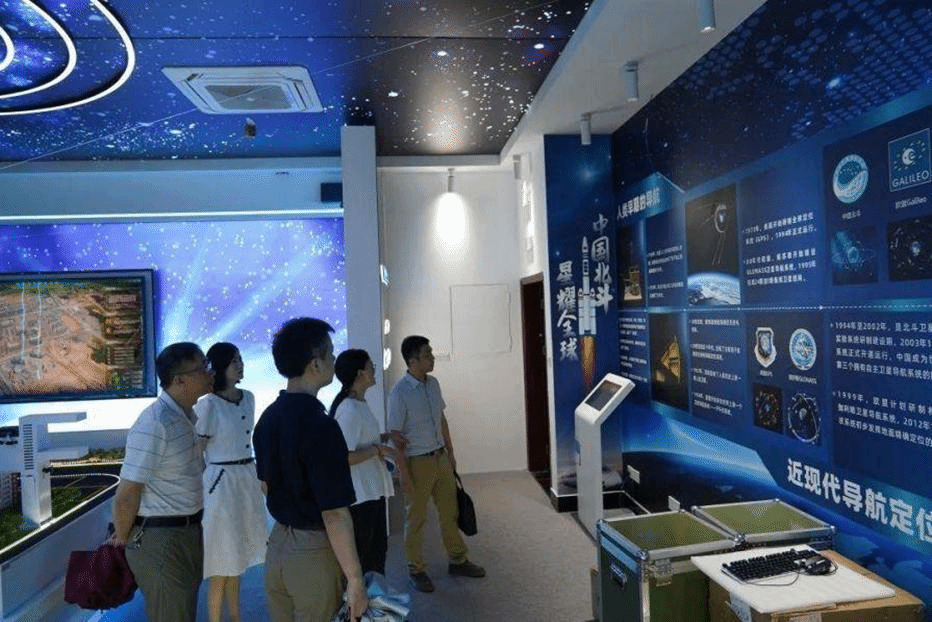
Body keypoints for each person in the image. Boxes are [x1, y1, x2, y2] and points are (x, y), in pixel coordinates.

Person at [253, 317, 368, 622]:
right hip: (313, 552)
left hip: (277, 546)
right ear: (316, 364)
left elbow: (265, 485)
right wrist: (355, 578)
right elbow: (334, 513)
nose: (334, 359)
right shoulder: (321, 426)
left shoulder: (268, 418)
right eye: (330, 353)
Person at [108, 342, 213, 622]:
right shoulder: (155, 423)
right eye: (202, 367)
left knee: (181, 611)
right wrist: (123, 539)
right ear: (179, 380)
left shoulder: (186, 416)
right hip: (161, 539)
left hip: (186, 533)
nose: (210, 372)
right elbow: (127, 492)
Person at [388, 335, 485, 593]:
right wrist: (402, 473)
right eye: (427, 354)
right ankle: (416, 569)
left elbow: (441, 418)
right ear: (412, 361)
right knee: (416, 518)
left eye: (431, 353)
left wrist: (450, 451)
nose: (432, 358)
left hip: (439, 458)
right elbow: (395, 437)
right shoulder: (399, 393)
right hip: (416, 462)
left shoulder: (433, 384)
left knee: (449, 512)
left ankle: (458, 560)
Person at [194, 342, 269, 622]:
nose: (240, 365)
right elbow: (196, 452)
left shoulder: (248, 398)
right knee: (222, 560)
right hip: (221, 485)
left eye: (240, 359)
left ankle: (236, 618)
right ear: (220, 367)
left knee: (239, 558)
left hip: (246, 479)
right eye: (233, 361)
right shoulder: (208, 405)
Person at [328, 349, 402, 575]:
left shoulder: (358, 404)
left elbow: (360, 441)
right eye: (371, 367)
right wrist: (378, 449)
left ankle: (373, 596)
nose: (374, 370)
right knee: (367, 557)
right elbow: (344, 457)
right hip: (360, 496)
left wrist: (384, 438)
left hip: (371, 491)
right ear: (360, 373)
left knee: (376, 553)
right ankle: (362, 598)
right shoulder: (349, 409)